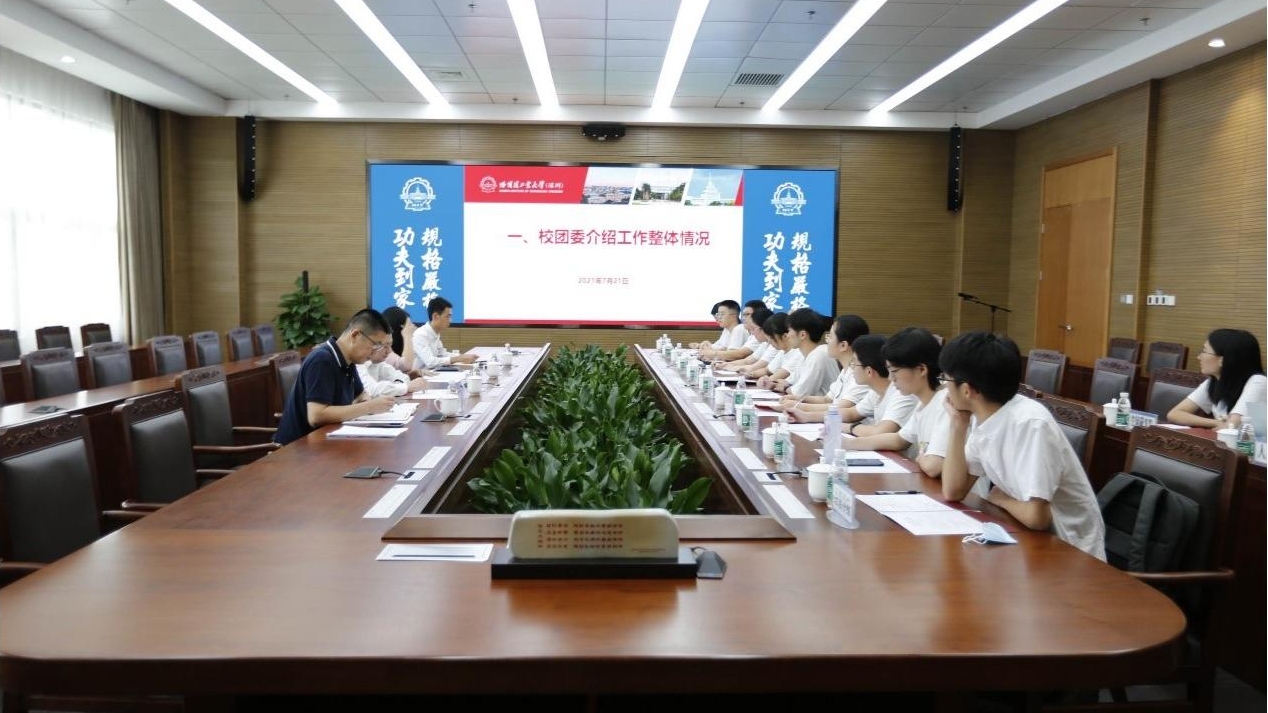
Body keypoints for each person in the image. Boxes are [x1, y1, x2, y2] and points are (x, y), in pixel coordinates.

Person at [938, 331, 1106, 560]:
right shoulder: (983, 415)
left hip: (1070, 552)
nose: (944, 388)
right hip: (1027, 539)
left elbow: (1038, 517)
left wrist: (1001, 498)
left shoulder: (1030, 424)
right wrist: (958, 425)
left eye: (946, 380)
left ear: (967, 390)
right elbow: (953, 491)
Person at [274, 309, 397, 445]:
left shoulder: (349, 360)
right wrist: (369, 407)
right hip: (298, 448)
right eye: (376, 345)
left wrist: (365, 403)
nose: (376, 351)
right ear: (355, 335)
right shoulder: (322, 360)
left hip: (328, 440)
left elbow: (362, 395)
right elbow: (316, 416)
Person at [841, 327, 949, 477]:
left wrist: (920, 457)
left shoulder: (946, 402)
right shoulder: (923, 401)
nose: (891, 378)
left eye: (894, 371)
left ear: (921, 369)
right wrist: (847, 443)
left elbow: (933, 466)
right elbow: (899, 439)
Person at [794, 334, 916, 435]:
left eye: (854, 363)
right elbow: (851, 413)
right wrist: (807, 416)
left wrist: (847, 428)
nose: (851, 368)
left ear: (869, 371)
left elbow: (881, 431)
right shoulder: (875, 392)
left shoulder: (902, 393)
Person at [1167, 328, 1266, 429]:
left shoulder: (1258, 382)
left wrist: (1224, 424)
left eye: (1204, 351)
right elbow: (1174, 414)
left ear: (1222, 360)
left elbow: (1231, 426)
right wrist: (1216, 423)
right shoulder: (1214, 380)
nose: (1199, 357)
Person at [777, 314, 870, 411]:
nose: (827, 341)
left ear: (843, 345)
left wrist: (797, 406)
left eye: (830, 337)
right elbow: (827, 399)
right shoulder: (846, 370)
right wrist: (798, 398)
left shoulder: (861, 373)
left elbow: (841, 408)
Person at [772, 308, 838, 397]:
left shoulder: (819, 354)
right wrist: (773, 384)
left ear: (802, 335)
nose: (787, 335)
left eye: (789, 330)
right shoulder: (805, 355)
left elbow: (800, 392)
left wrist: (785, 387)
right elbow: (790, 382)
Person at [413, 296, 477, 370]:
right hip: (418, 376)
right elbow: (430, 362)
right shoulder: (421, 334)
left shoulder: (435, 333)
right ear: (435, 316)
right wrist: (459, 358)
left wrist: (463, 356)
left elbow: (442, 354)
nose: (450, 320)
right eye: (447, 316)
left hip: (431, 373)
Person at [357, 337, 429, 398]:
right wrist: (405, 387)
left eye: (390, 346)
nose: (389, 351)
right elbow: (371, 391)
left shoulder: (379, 362)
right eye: (385, 346)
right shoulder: (358, 363)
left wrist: (397, 387)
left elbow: (403, 378)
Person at [380, 306, 422, 376]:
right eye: (410, 324)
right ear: (401, 328)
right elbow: (407, 365)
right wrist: (408, 335)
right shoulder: (383, 347)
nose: (414, 326)